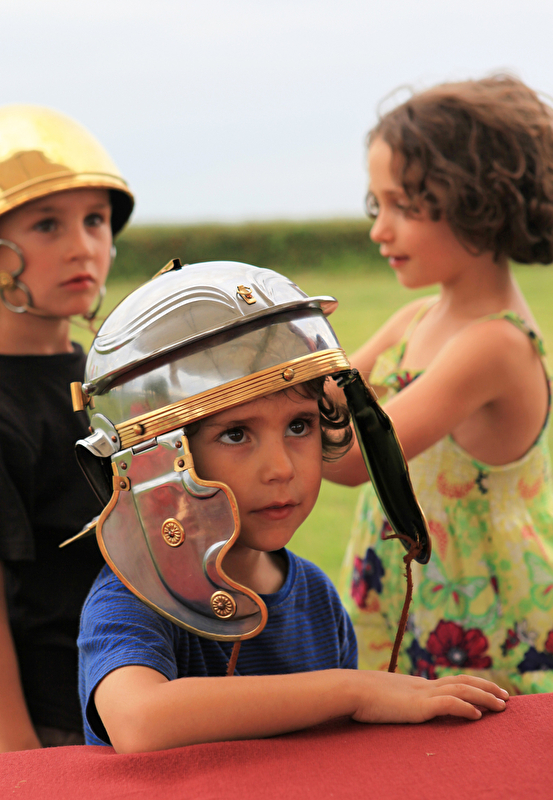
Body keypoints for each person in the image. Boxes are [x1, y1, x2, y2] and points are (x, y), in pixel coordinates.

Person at [73, 260, 508, 754]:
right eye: (237, 434)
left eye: (299, 426)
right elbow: (139, 720)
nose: (281, 468)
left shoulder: (317, 596)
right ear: (157, 459)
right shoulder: (132, 599)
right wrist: (353, 690)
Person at [323, 75, 553, 693]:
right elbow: (322, 397)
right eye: (376, 206)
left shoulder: (494, 345)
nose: (380, 230)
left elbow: (356, 460)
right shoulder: (414, 320)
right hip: (414, 597)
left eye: (403, 206)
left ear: (478, 202)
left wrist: (252, 431)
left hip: (482, 620)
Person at [0, 104, 134, 753]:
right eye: (47, 225)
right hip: (45, 720)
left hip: (127, 692)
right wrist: (20, 760)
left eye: (95, 220)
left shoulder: (99, 373)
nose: (83, 246)